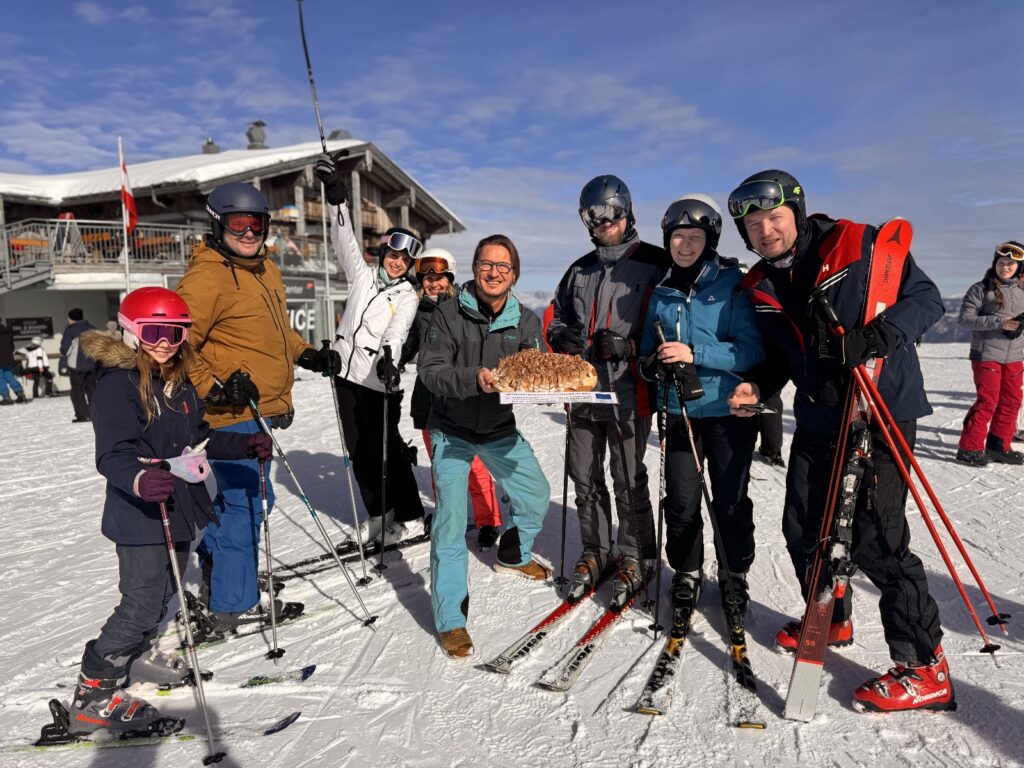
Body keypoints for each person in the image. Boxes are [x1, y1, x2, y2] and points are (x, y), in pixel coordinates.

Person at [726, 169, 952, 713]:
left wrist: (876, 337)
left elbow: (926, 299)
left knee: (877, 537)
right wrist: (759, 384)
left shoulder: (858, 245)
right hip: (818, 415)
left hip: (880, 408)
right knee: (803, 526)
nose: (765, 231)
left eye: (774, 218)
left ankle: (926, 666)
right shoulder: (759, 285)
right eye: (753, 226)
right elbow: (781, 356)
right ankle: (831, 616)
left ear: (797, 213)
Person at [65, 287, 271, 737]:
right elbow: (112, 454)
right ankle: (91, 696)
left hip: (178, 508)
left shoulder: (178, 382)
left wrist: (243, 445)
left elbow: (198, 440)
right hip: (140, 513)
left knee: (162, 596)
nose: (164, 342)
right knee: (140, 605)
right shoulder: (118, 385)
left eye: (174, 333)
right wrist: (140, 479)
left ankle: (132, 658)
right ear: (131, 331)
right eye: (154, 332)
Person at [176, 182, 335, 633]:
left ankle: (223, 569)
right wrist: (213, 387)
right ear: (217, 225)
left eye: (257, 224)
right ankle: (234, 601)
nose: (248, 233)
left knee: (240, 501)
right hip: (230, 413)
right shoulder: (206, 278)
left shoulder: (265, 267)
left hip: (256, 407)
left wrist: (306, 354)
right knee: (248, 502)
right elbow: (177, 343)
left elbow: (278, 329)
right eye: (237, 224)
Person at [418, 234, 553, 658]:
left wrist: (550, 386)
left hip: (498, 428)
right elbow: (431, 371)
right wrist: (473, 378)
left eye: (503, 267)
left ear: (514, 275)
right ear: (475, 268)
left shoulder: (526, 321)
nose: (494, 273)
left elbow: (534, 369)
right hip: (451, 428)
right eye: (486, 264)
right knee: (451, 520)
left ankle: (513, 554)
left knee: (537, 495)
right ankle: (451, 620)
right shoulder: (447, 313)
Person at [637, 194, 763, 624]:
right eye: (678, 236)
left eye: (695, 236)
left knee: (730, 500)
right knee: (681, 500)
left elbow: (751, 350)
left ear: (710, 240)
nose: (686, 244)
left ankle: (734, 574)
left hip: (728, 410)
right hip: (679, 412)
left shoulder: (732, 284)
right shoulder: (661, 291)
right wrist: (652, 364)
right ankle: (687, 571)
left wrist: (696, 353)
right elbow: (646, 352)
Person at [547, 174, 669, 609]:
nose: (603, 222)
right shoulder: (579, 269)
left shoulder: (655, 263)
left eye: (611, 212)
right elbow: (557, 316)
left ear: (627, 211)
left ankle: (637, 554)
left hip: (629, 391)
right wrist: (559, 337)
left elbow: (672, 325)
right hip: (582, 390)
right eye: (592, 216)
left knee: (627, 478)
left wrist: (629, 347)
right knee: (584, 476)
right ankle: (596, 549)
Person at [314, 155, 426, 545]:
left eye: (405, 260)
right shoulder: (362, 278)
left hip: (381, 382)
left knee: (388, 452)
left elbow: (397, 331)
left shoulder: (407, 295)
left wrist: (388, 361)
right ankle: (379, 515)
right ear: (383, 255)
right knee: (359, 453)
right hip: (346, 377)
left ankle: (410, 515)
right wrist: (337, 199)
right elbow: (343, 240)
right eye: (393, 256)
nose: (397, 263)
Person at [400, 247, 503, 548]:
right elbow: (408, 346)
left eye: (439, 277)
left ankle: (488, 520)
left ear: (450, 278)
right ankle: (448, 519)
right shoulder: (417, 311)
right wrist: (390, 361)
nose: (433, 283)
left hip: (462, 398)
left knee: (474, 466)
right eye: (427, 279)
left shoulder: (464, 308)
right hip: (428, 400)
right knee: (441, 467)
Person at [955, 241, 1024, 466]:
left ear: (1019, 267)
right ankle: (969, 448)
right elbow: (965, 319)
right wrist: (999, 322)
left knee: (1012, 401)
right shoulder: (981, 289)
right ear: (995, 263)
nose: (1005, 267)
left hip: (1015, 356)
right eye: (1001, 262)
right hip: (987, 354)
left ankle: (998, 446)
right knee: (988, 401)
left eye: (1011, 264)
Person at [59, 308, 96, 420]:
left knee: (77, 391)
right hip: (93, 364)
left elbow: (65, 349)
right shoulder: (92, 328)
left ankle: (82, 415)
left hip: (76, 365)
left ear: (71, 319)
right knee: (93, 390)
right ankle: (95, 413)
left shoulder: (71, 330)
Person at [0, 320, 28, 405]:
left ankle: (6, 397)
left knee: (0, 377)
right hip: (7, 357)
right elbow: (12, 345)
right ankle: (21, 394)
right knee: (8, 375)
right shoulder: (7, 330)